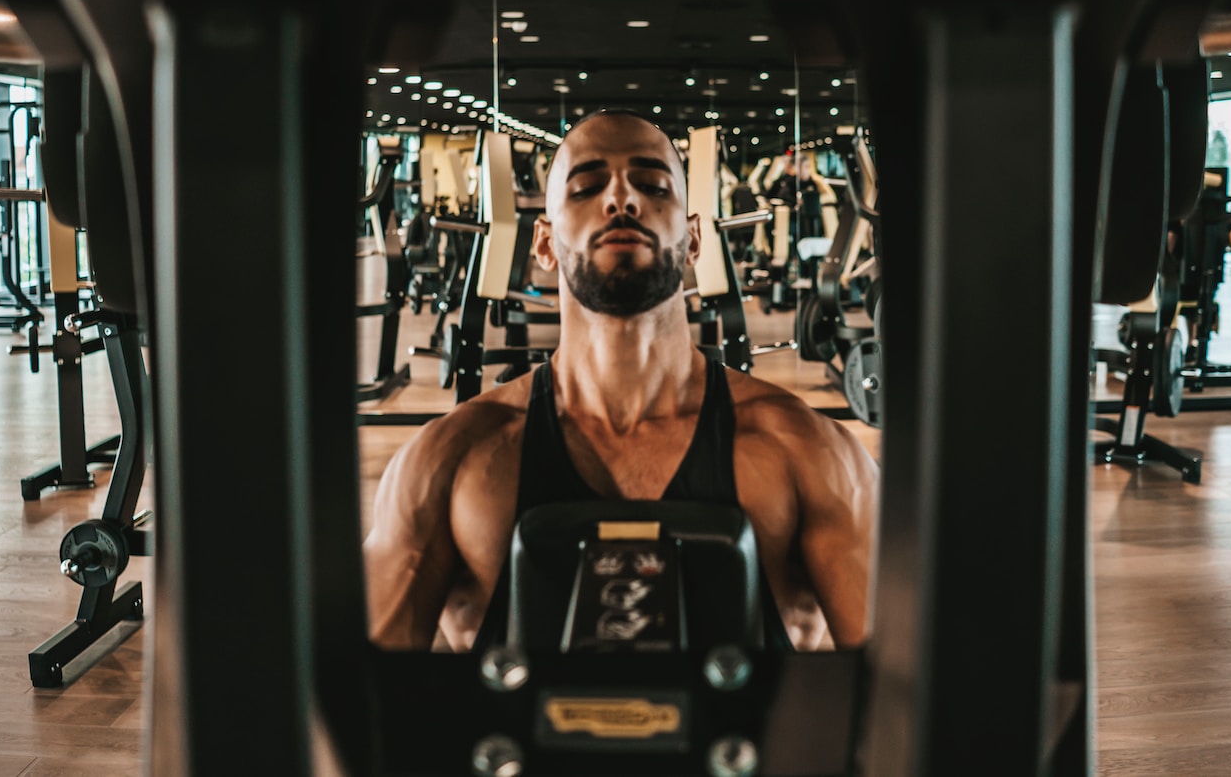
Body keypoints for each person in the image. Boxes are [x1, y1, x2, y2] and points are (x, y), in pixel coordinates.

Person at [364, 110, 878, 653]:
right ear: (542, 243)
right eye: (586, 187)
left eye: (653, 185)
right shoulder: (449, 462)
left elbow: (907, 691)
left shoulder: (811, 455)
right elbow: (358, 702)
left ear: (695, 239)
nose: (621, 201)